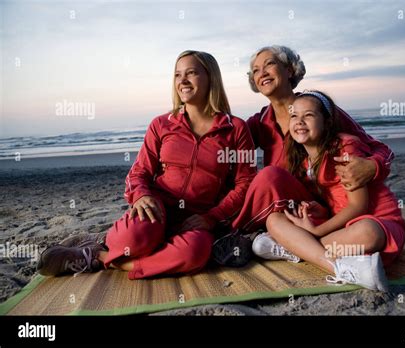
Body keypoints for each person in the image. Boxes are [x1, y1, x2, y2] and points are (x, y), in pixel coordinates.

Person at [37, 50, 257, 279]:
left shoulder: (236, 129)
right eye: (177, 75)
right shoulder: (161, 124)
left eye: (191, 73)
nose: (182, 81)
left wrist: (211, 217)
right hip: (157, 208)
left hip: (198, 216)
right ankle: (108, 246)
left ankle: (100, 257)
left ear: (211, 77)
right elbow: (139, 171)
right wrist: (141, 196)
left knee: (196, 253)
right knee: (129, 240)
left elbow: (246, 183)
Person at [231, 45, 395, 234]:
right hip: (292, 207)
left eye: (270, 64)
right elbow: (226, 143)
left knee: (269, 175)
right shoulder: (259, 123)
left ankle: (236, 234)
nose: (262, 73)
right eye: (256, 71)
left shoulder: (319, 110)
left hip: (327, 209)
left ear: (289, 70)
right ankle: (245, 234)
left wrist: (373, 166)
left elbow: (382, 149)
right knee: (267, 178)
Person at [253, 90, 405, 291]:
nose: (299, 121)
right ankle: (339, 266)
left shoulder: (344, 147)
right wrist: (316, 210)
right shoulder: (302, 159)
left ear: (326, 122)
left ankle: (296, 247)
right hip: (337, 226)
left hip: (375, 221)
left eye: (308, 115)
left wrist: (315, 231)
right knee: (274, 220)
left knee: (369, 233)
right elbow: (330, 201)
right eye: (294, 116)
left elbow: (358, 206)